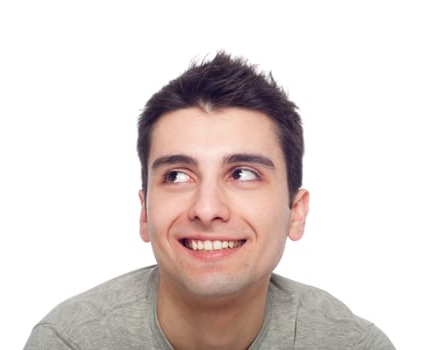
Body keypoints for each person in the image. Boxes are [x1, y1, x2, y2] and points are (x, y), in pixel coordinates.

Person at [24, 52, 395, 350]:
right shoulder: (70, 341)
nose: (207, 209)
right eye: (177, 176)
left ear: (295, 213)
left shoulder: (351, 344)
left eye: (244, 174)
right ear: (144, 212)